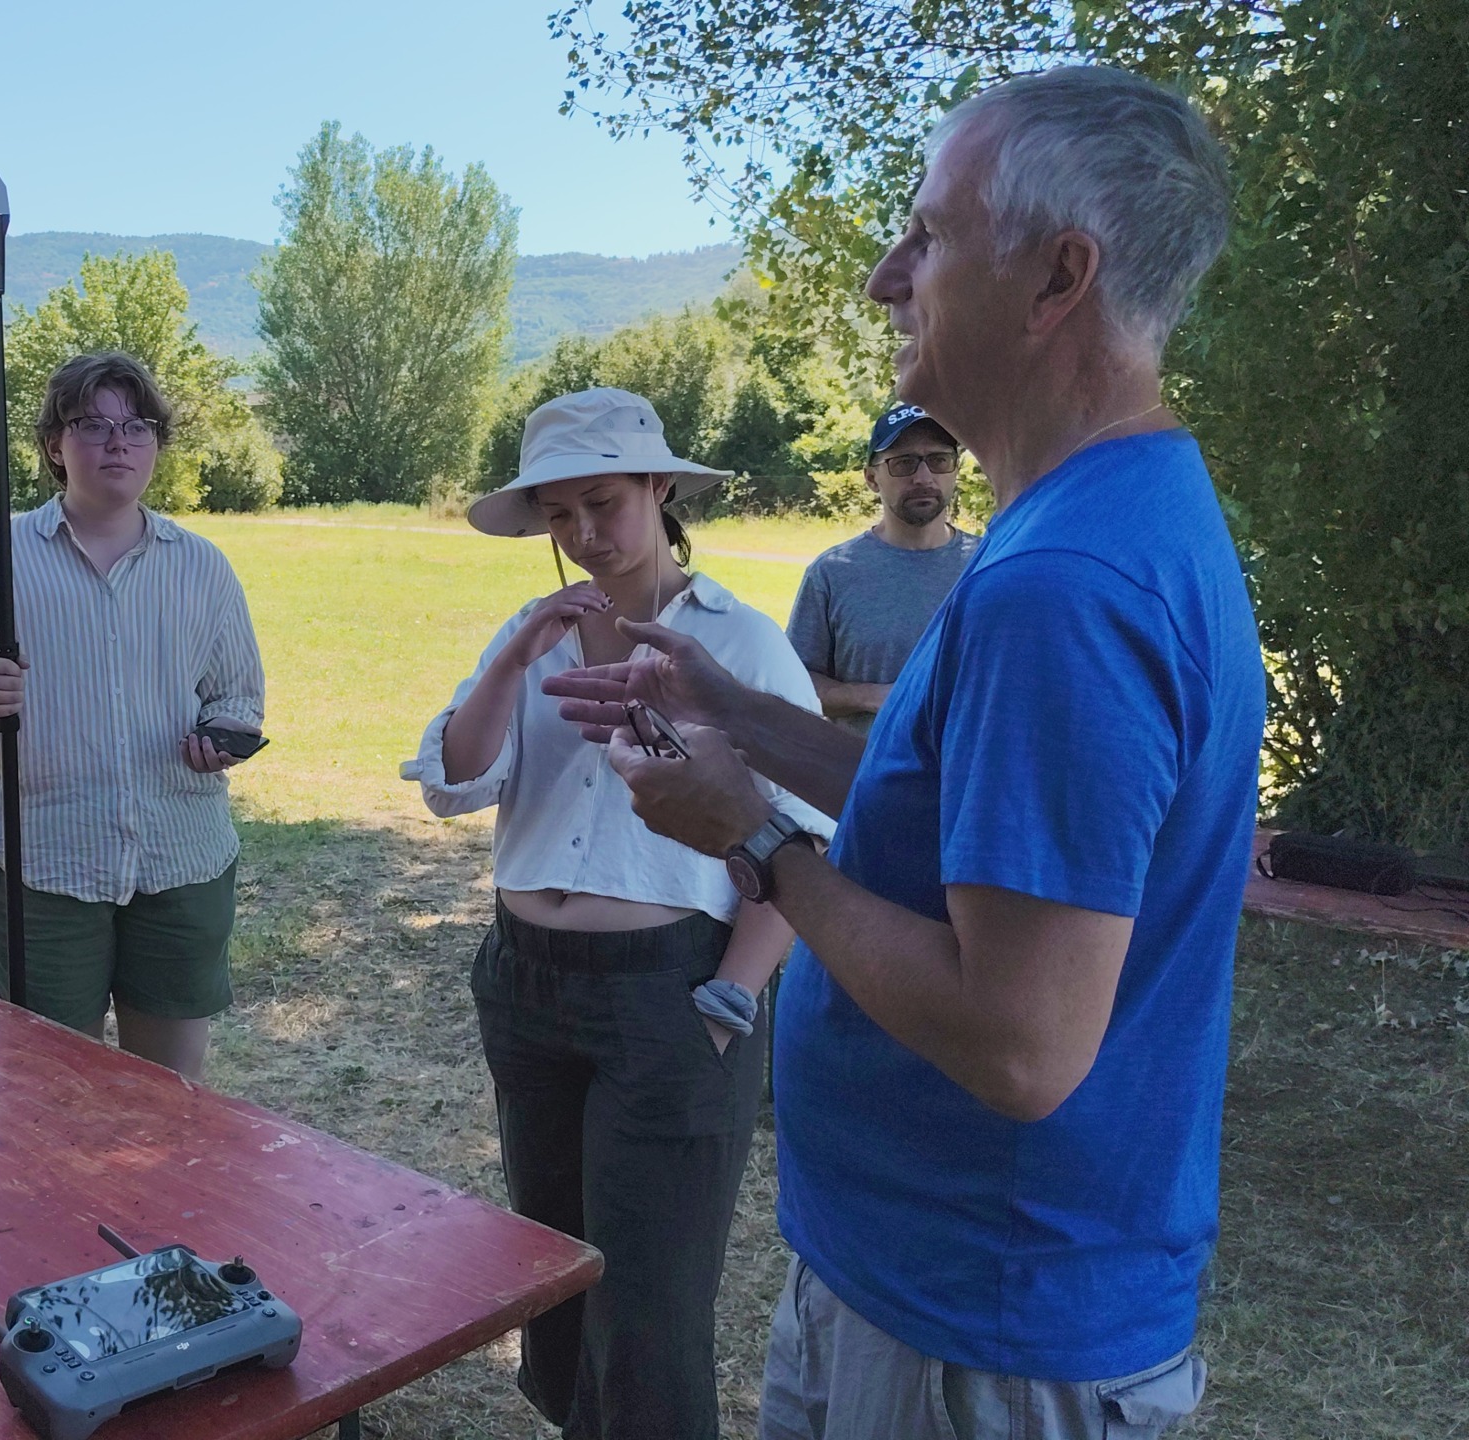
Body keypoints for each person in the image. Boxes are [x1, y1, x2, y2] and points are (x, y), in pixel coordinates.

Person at [543, 67, 1257, 1439]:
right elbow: (956, 819)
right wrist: (738, 712)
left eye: (927, 235)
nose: (885, 279)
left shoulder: (1066, 587)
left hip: (979, 1326)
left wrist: (754, 840)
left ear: (1057, 279)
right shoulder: (1098, 519)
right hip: (920, 1282)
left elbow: (1021, 1045)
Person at [400, 388, 834, 1440]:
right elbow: (454, 783)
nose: (585, 533)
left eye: (604, 503)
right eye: (560, 514)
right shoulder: (534, 634)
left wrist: (733, 992)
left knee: (648, 1293)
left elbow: (807, 835)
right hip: (527, 982)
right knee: (552, 1266)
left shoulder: (739, 643)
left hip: (669, 991)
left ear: (660, 488)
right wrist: (515, 657)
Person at [0, 352, 263, 1082]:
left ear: (156, 442)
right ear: (54, 445)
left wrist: (221, 739)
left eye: (137, 425)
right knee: (54, 1093)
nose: (118, 442)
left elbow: (238, 700)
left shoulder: (202, 567)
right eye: (92, 425)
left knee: (168, 1096)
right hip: (40, 870)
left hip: (180, 860)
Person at [786, 404, 980, 733]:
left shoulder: (987, 564)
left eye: (939, 460)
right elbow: (792, 682)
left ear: (955, 470)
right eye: (903, 463)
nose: (923, 478)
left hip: (968, 765)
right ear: (871, 478)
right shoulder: (833, 573)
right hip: (859, 764)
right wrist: (868, 696)